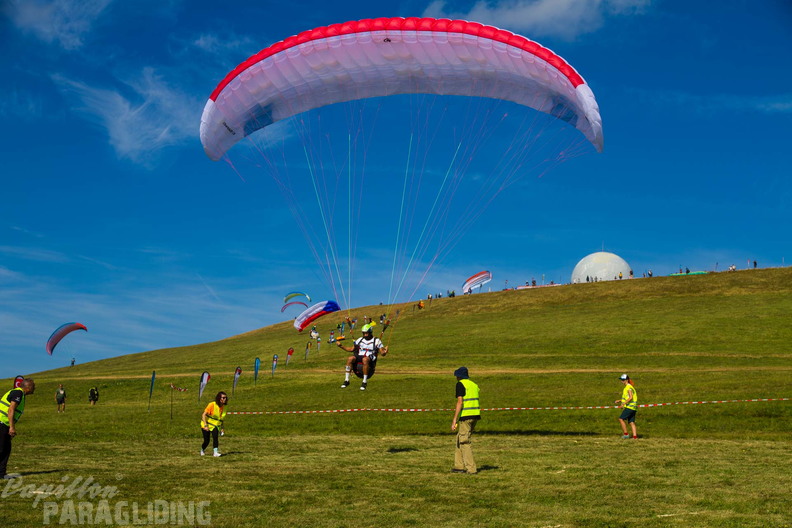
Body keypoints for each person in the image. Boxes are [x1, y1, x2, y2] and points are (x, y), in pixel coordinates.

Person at [0, 378, 36, 479]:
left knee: (6, 449)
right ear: (28, 387)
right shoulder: (18, 393)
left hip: (4, 425)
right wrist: (11, 427)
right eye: (33, 386)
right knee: (1, 448)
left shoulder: (20, 394)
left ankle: (1, 474)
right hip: (2, 423)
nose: (35, 388)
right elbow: (11, 409)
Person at [337, 323, 387, 391]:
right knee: (350, 358)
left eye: (367, 333)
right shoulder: (360, 339)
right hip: (360, 355)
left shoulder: (376, 340)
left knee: (365, 359)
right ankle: (346, 380)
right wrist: (341, 346)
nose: (365, 335)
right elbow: (352, 349)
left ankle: (364, 382)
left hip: (370, 356)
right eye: (364, 333)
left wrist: (384, 352)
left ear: (370, 332)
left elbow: (382, 352)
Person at [451, 367, 480, 474]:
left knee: (464, 442)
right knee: (459, 439)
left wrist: (454, 419)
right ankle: (458, 466)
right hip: (475, 415)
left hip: (466, 416)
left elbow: (460, 402)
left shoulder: (460, 384)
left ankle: (471, 469)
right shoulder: (474, 384)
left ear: (459, 376)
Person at [200, 391, 228, 457]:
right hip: (207, 423)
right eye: (223, 397)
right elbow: (203, 415)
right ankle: (202, 449)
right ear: (219, 398)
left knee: (215, 437)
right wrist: (205, 425)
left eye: (226, 398)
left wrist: (222, 428)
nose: (225, 399)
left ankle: (215, 452)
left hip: (215, 425)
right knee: (207, 440)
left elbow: (221, 419)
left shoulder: (225, 407)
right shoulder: (212, 404)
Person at [615, 374, 638, 439]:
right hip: (633, 407)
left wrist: (623, 404)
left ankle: (626, 434)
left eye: (623, 380)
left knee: (621, 419)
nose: (622, 381)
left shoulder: (628, 387)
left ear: (627, 380)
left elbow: (630, 397)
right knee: (631, 422)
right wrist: (620, 400)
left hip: (629, 407)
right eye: (621, 379)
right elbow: (628, 397)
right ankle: (635, 437)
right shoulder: (629, 387)